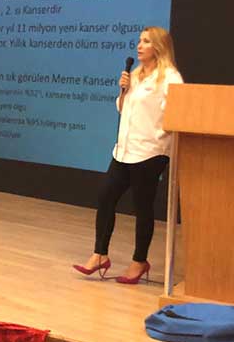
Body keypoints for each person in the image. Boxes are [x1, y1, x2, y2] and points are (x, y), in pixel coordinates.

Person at [73, 26, 183, 284]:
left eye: (145, 41)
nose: (139, 46)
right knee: (105, 196)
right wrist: (123, 90)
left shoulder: (170, 78)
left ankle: (139, 261)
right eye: (139, 41)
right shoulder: (134, 75)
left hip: (150, 152)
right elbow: (123, 109)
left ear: (159, 46)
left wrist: (159, 135)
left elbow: (177, 114)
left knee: (142, 207)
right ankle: (99, 254)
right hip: (124, 150)